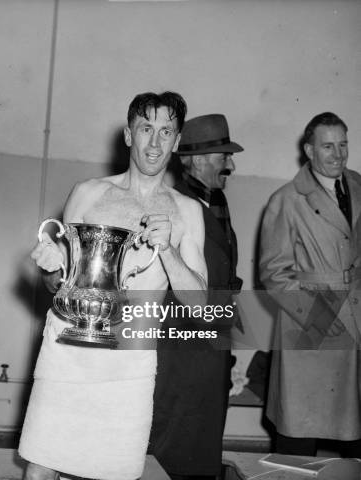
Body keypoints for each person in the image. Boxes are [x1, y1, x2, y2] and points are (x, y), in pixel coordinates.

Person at [20, 92, 208, 480]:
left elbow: (201, 306)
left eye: (165, 132)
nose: (154, 143)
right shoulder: (88, 193)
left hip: (131, 356)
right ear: (128, 135)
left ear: (176, 142)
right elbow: (60, 285)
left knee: (115, 472)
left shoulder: (187, 211)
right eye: (145, 129)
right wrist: (50, 267)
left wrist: (169, 251)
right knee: (41, 467)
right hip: (68, 347)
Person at [259, 112, 361, 457]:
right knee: (300, 432)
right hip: (311, 323)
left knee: (353, 433)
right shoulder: (286, 199)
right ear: (309, 150)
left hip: (356, 318)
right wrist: (318, 317)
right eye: (328, 146)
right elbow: (274, 273)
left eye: (343, 144)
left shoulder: (359, 186)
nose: (338, 154)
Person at [151, 114, 244, 480]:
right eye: (225, 157)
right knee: (173, 449)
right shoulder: (173, 205)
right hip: (180, 353)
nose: (231, 165)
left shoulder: (216, 205)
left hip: (211, 350)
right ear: (197, 159)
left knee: (202, 447)